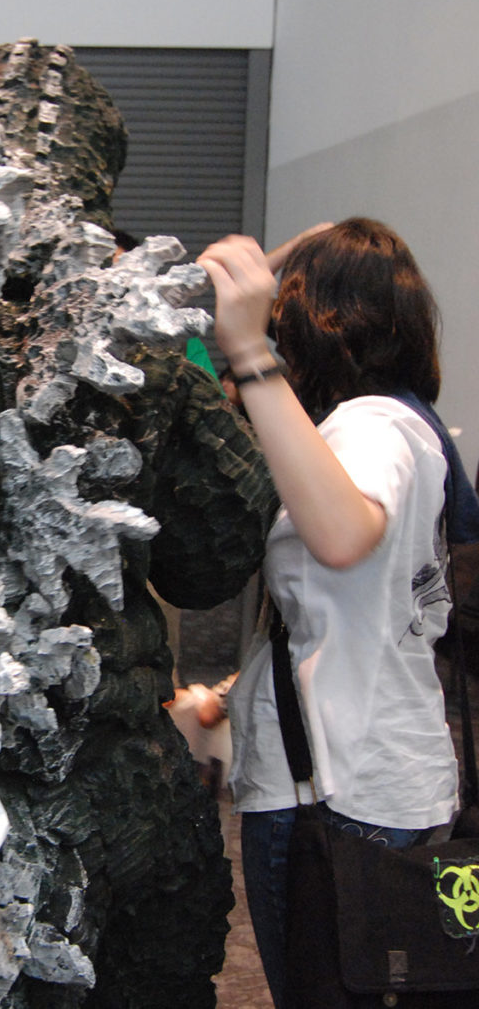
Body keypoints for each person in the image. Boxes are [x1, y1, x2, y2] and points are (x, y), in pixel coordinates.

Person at [198, 218, 467, 1007]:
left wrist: (249, 353)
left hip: (342, 797)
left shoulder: (372, 426)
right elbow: (336, 610)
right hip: (379, 774)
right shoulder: (400, 424)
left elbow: (344, 536)